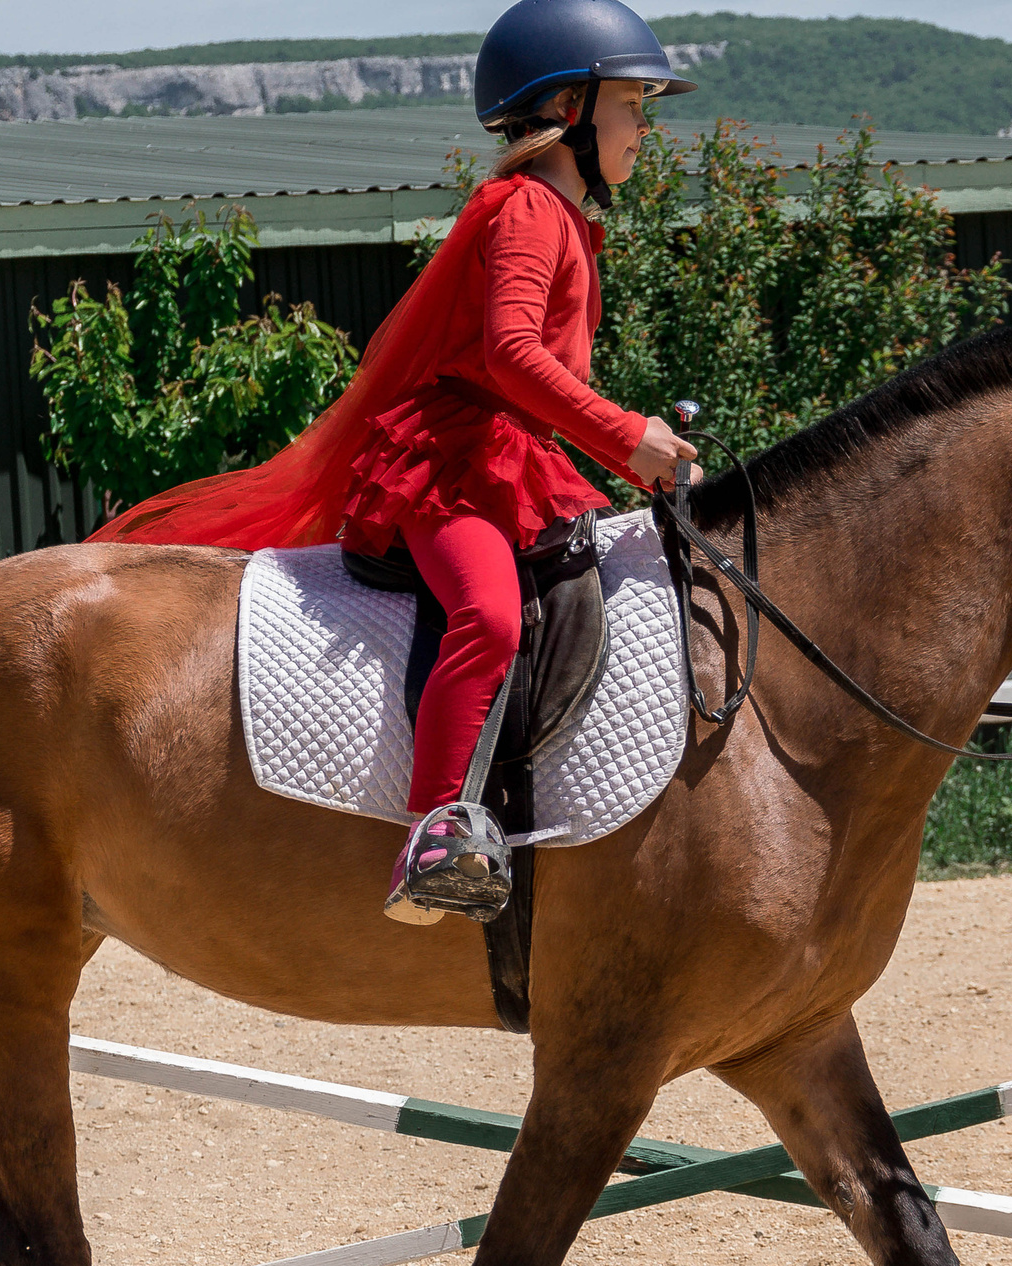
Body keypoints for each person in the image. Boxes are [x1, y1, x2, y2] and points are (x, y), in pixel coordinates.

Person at [90, 0, 699, 923]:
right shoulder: (529, 208)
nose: (643, 129)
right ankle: (437, 837)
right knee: (489, 617)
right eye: (631, 104)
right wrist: (626, 435)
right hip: (452, 461)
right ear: (570, 106)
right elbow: (509, 356)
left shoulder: (564, 216)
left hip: (510, 458)